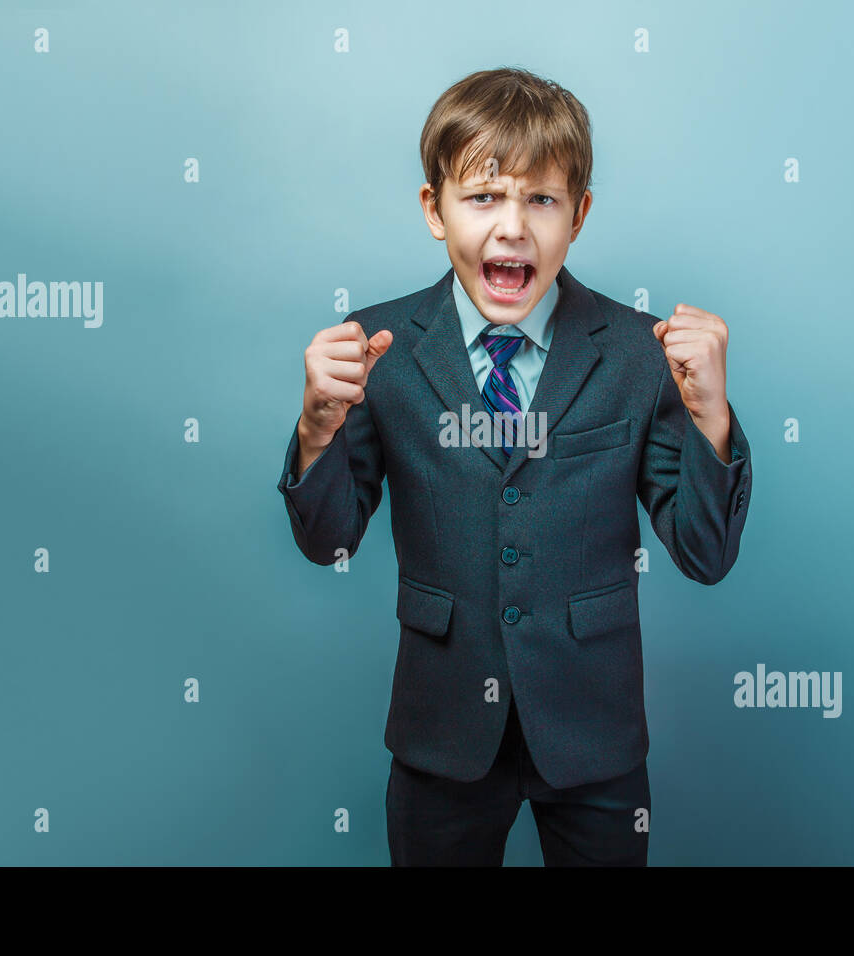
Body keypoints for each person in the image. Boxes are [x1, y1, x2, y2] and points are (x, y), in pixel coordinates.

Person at [279, 67, 752, 866]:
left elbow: (705, 556)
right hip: (443, 735)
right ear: (434, 209)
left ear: (579, 216)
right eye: (484, 197)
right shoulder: (378, 351)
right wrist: (317, 425)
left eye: (541, 200)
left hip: (593, 736)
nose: (512, 228)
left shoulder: (640, 356)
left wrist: (710, 418)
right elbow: (328, 544)